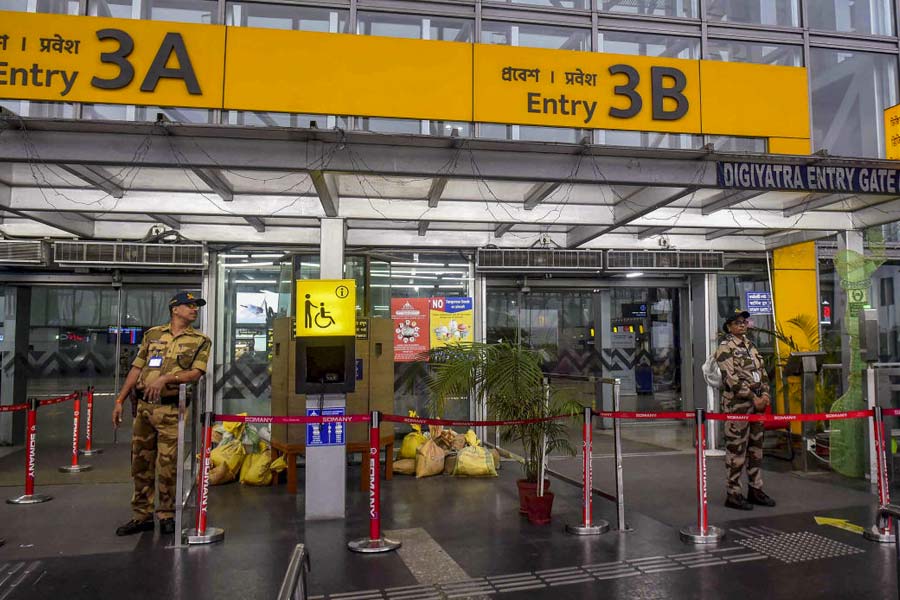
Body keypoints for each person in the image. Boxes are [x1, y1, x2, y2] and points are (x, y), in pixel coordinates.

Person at [112, 292, 211, 536]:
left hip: (170, 410)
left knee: (168, 465)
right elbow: (137, 369)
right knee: (140, 463)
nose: (194, 310)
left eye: (196, 306)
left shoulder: (200, 340)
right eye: (189, 305)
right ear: (174, 309)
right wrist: (119, 399)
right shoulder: (152, 335)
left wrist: (167, 378)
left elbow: (196, 374)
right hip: (144, 408)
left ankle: (166, 514)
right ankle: (141, 515)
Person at [715, 309, 776, 511]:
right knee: (736, 450)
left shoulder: (751, 347)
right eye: (737, 322)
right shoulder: (725, 348)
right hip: (738, 406)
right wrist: (753, 397)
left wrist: (765, 396)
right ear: (729, 326)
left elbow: (763, 374)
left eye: (744, 322)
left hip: (757, 405)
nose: (742, 325)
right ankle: (733, 493)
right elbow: (730, 379)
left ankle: (755, 489)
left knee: (756, 450)